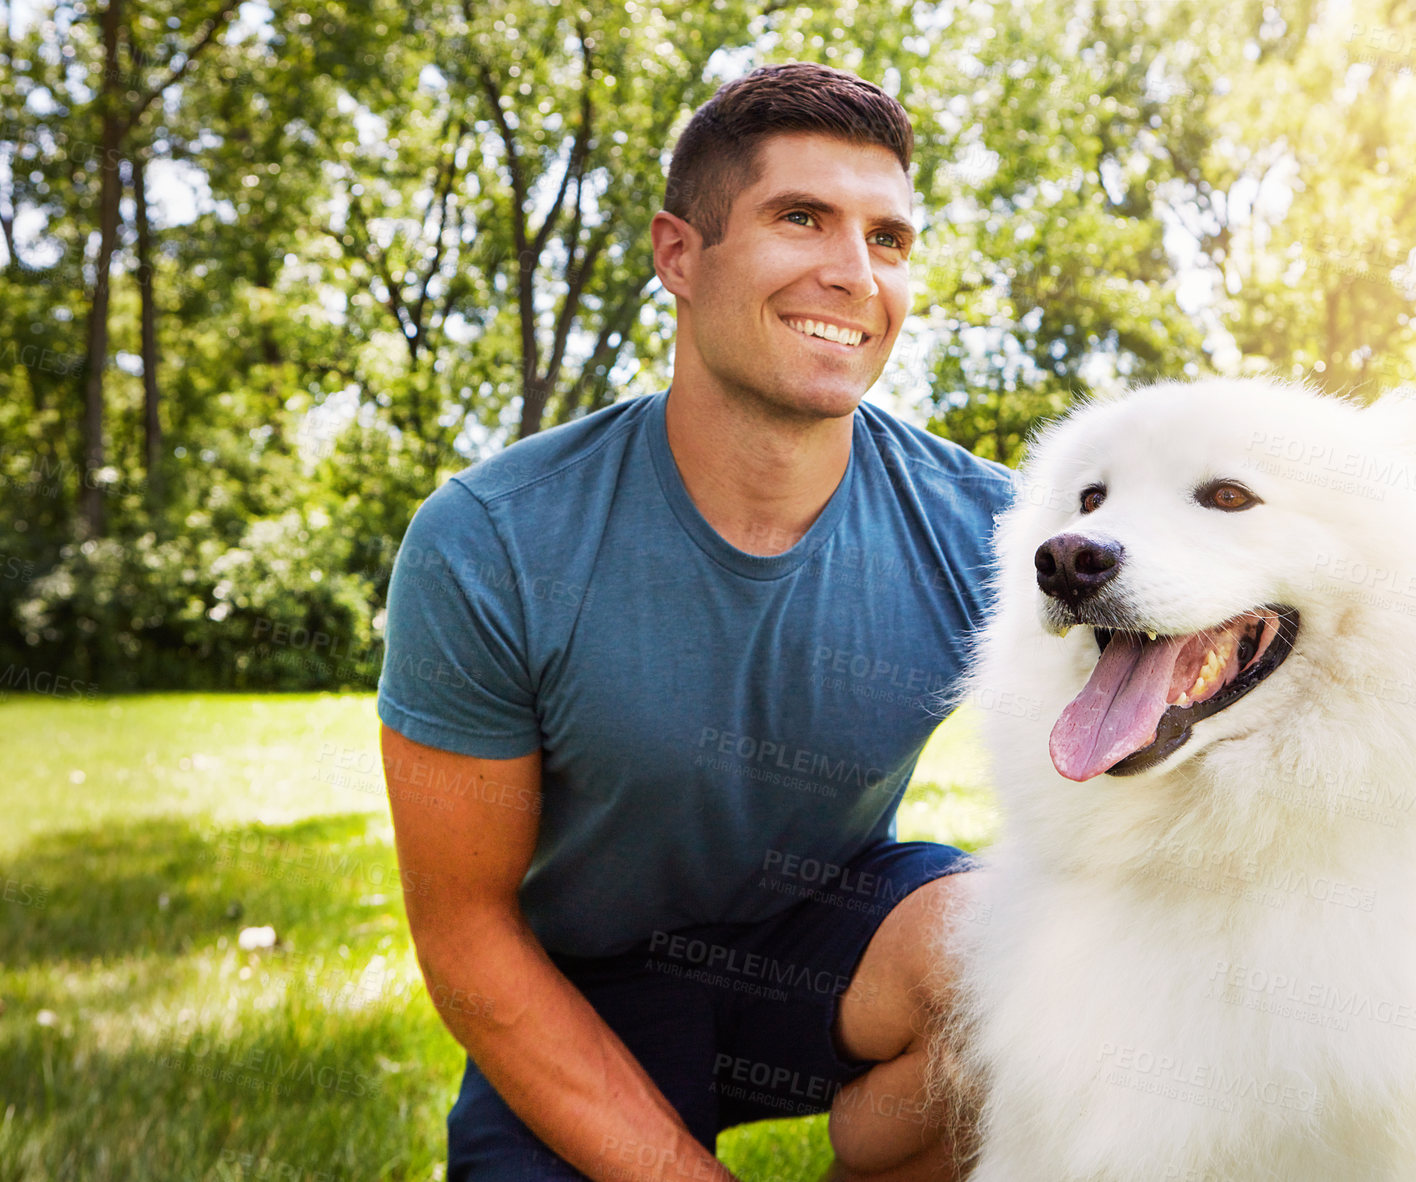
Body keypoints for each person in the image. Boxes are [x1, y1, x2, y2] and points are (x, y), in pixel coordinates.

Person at [377, 62, 1012, 1182]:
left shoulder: (993, 530)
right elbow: (467, 936)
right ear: (680, 254)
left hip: (834, 943)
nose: (852, 273)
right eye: (801, 218)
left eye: (889, 239)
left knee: (1011, 969)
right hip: (582, 989)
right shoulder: (492, 539)